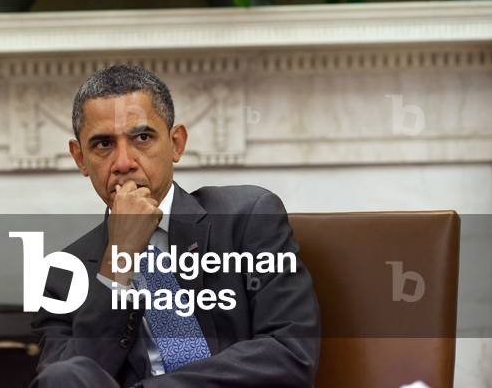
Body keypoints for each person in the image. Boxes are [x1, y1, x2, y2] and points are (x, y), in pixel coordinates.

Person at [29, 64, 320, 387]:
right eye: (103, 145)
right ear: (80, 158)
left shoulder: (247, 218)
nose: (124, 162)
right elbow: (67, 379)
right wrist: (118, 262)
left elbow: (289, 354)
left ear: (176, 143)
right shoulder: (62, 275)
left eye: (142, 137)